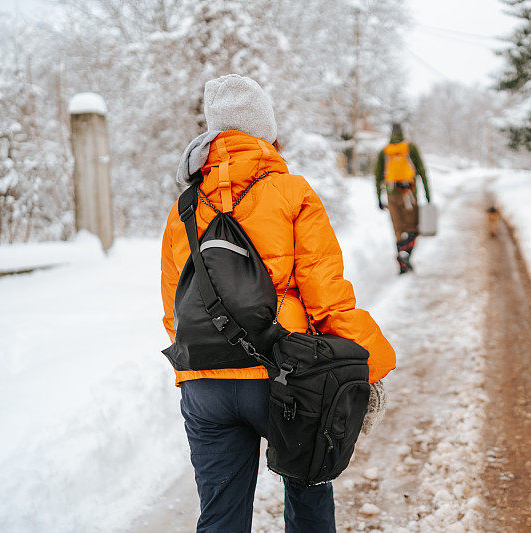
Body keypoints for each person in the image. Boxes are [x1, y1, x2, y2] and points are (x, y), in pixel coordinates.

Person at [160, 74, 396, 532]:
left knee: (220, 516)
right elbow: (325, 295)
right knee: (309, 496)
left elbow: (175, 306)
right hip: (285, 376)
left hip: (203, 382)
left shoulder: (183, 209)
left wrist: (202, 368)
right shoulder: (293, 193)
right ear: (266, 131)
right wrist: (375, 361)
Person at [374, 123, 431, 274]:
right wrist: (427, 194)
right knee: (413, 228)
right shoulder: (410, 148)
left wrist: (379, 197)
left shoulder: (384, 152)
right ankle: (406, 255)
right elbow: (422, 171)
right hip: (409, 195)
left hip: (392, 195)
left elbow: (378, 176)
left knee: (398, 230)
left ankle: (402, 263)